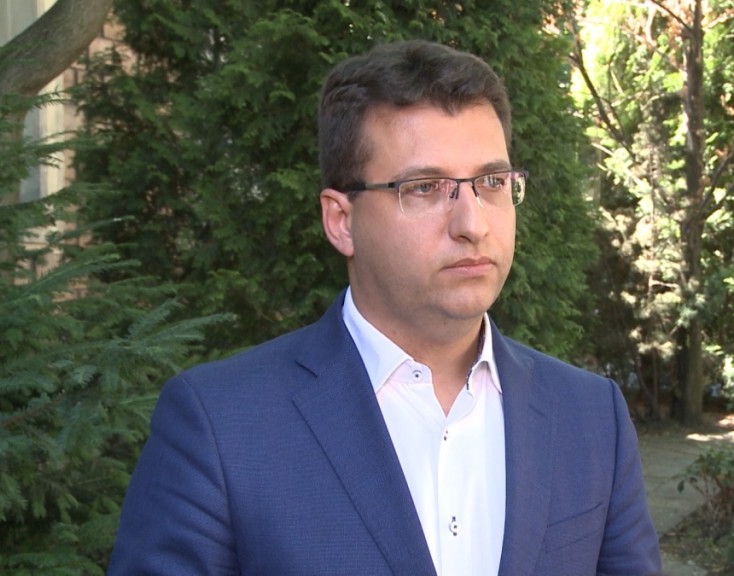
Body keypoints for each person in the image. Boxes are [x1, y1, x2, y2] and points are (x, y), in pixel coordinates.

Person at [108, 39, 663, 576]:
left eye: (492, 182)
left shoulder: (592, 418)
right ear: (341, 221)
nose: (472, 223)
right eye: (424, 188)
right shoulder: (221, 427)